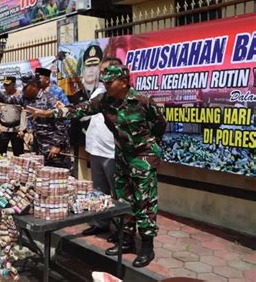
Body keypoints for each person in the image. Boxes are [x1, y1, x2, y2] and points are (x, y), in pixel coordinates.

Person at [29, 65, 167, 268]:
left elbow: (159, 124)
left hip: (142, 157)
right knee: (122, 199)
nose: (106, 86)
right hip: (121, 157)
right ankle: (126, 240)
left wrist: (147, 146)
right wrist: (48, 114)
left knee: (144, 201)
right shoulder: (104, 101)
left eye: (110, 83)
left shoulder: (142, 101)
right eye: (105, 82)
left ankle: (147, 246)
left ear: (124, 81)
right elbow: (78, 110)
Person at [0, 72, 71, 169]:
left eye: (25, 87)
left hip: (54, 148)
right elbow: (6, 99)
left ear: (34, 86)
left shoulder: (50, 99)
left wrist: (57, 145)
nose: (23, 90)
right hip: (40, 147)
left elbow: (63, 121)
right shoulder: (25, 98)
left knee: (59, 176)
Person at [81, 57, 122, 237]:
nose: (102, 74)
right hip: (95, 148)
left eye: (105, 71)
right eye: (102, 71)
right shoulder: (98, 90)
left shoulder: (121, 94)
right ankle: (101, 223)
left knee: (118, 193)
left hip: (111, 151)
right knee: (99, 191)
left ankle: (122, 230)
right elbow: (86, 114)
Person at [0, 76, 27, 157]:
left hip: (17, 130)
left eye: (8, 85)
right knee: (0, 154)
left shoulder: (20, 96)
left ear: (14, 84)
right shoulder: (0, 96)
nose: (5, 86)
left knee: (19, 155)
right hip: (3, 129)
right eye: (4, 84)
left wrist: (22, 129)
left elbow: (24, 113)